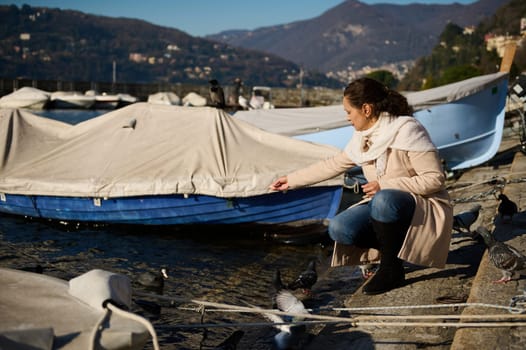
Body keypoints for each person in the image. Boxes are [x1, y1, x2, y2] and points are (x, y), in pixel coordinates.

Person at [269, 77, 453, 295]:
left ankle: (390, 268)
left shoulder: (407, 129)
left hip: (421, 205)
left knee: (384, 200)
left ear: (366, 109)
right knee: (339, 228)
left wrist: (385, 185)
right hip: (384, 206)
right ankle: (395, 252)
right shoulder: (362, 137)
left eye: (348, 111)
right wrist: (290, 181)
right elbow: (333, 164)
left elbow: (435, 179)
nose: (347, 118)